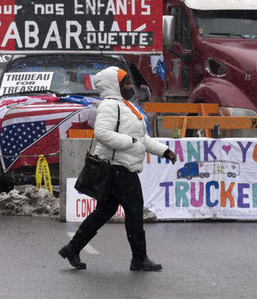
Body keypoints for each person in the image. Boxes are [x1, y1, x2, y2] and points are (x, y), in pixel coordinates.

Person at [59, 66, 177, 271]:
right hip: (117, 167)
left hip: (121, 166)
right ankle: (139, 258)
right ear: (115, 86)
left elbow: (142, 138)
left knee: (104, 211)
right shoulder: (110, 106)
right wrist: (129, 141)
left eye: (129, 83)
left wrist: (164, 151)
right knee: (134, 212)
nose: (131, 87)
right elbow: (102, 133)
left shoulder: (126, 106)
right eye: (126, 84)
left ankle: (72, 248)